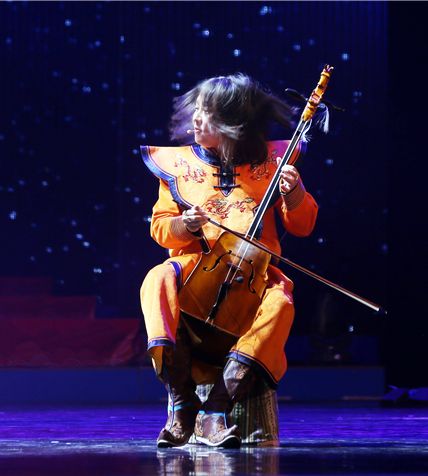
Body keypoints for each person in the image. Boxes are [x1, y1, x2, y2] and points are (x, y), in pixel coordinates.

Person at [139, 73, 318, 448]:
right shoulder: (177, 165)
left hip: (253, 277)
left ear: (234, 122)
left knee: (281, 302)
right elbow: (160, 228)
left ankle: (215, 410)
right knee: (157, 278)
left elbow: (302, 227)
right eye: (197, 109)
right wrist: (184, 225)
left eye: (207, 112)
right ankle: (182, 403)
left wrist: (294, 192)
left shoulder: (272, 161)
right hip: (196, 276)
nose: (196, 118)